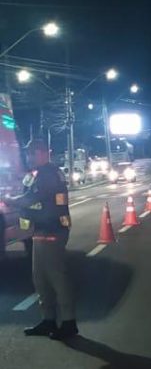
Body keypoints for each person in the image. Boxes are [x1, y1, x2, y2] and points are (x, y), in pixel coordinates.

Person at [12, 140, 77, 339]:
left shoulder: (48, 174)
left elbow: (31, 199)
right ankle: (48, 320)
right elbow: (29, 197)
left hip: (53, 231)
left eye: (32, 153)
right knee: (40, 279)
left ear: (42, 153)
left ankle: (68, 323)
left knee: (57, 278)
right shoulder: (37, 174)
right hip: (41, 231)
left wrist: (8, 200)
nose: (29, 157)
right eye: (28, 153)